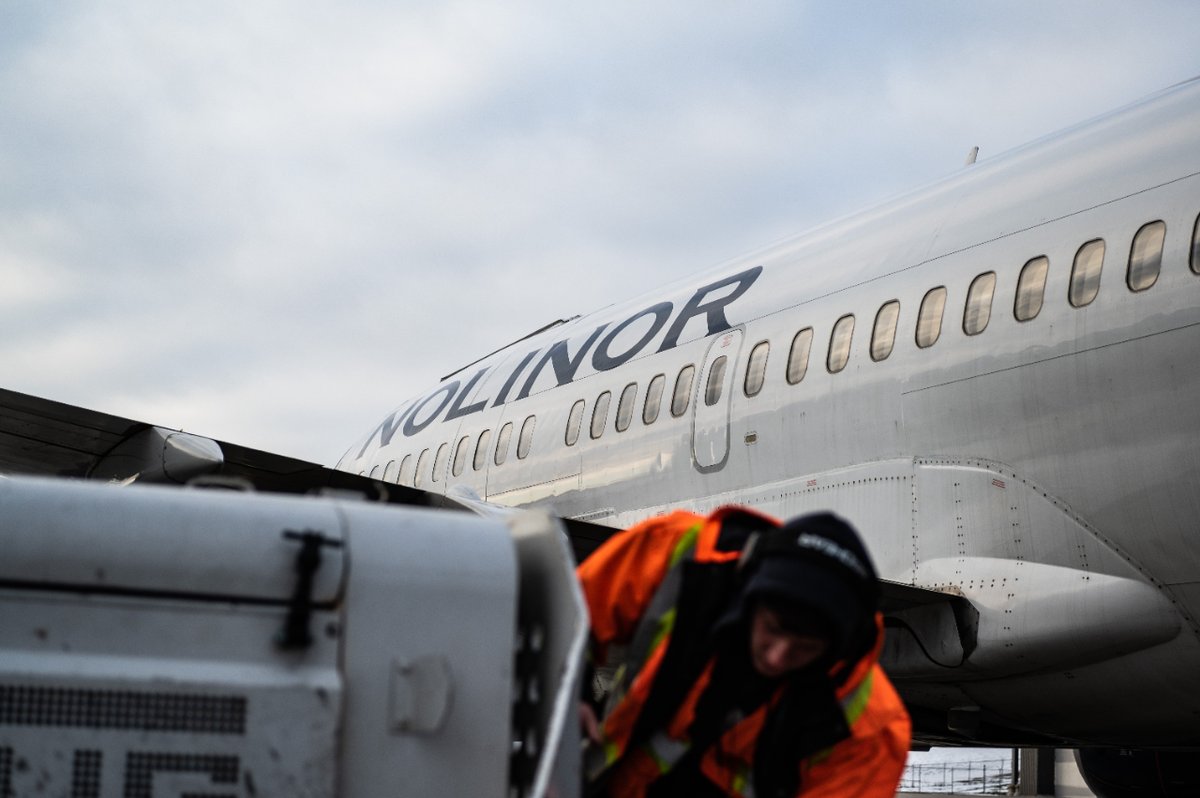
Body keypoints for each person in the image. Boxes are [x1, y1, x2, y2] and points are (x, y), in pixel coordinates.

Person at [577, 506, 910, 798]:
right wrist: (569, 698)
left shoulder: (873, 732)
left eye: (805, 648)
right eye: (773, 628)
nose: (777, 657)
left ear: (837, 648)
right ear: (751, 596)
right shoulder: (675, 554)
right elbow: (562, 615)